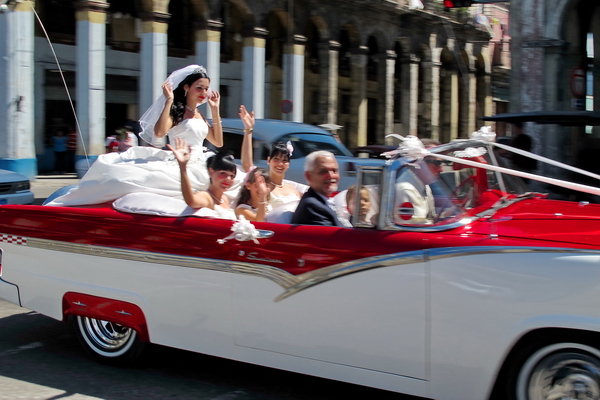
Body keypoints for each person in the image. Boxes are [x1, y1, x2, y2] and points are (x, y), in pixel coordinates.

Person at [46, 65, 243, 207]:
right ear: (186, 88)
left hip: (204, 159)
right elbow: (159, 133)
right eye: (199, 87)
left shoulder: (200, 113)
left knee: (237, 179)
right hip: (182, 159)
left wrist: (215, 110)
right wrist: (169, 101)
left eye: (206, 88)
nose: (203, 92)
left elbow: (217, 141)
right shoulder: (177, 112)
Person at [239, 105, 305, 208]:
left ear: (288, 164)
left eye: (284, 160)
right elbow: (247, 164)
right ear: (268, 160)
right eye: (276, 159)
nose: (280, 164)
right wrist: (248, 130)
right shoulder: (262, 184)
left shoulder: (292, 188)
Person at [168, 138, 237, 220]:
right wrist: (183, 167)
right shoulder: (206, 196)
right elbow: (191, 201)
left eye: (232, 176)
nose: (228, 179)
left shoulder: (224, 198)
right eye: (223, 173)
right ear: (211, 172)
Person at [291, 150, 345, 227]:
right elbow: (336, 238)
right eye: (323, 171)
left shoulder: (326, 201)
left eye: (334, 170)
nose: (331, 176)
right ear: (309, 176)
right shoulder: (312, 207)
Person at [393, 157, 442, 225]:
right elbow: (411, 226)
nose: (441, 169)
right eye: (437, 163)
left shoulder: (424, 185)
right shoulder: (405, 189)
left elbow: (430, 218)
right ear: (420, 164)